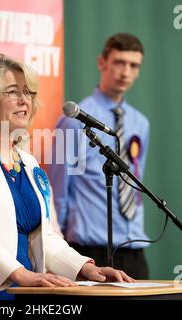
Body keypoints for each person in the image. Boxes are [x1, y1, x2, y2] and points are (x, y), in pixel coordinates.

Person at [0, 53, 133, 300]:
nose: (25, 100)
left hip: (22, 288)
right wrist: (20, 273)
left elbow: (46, 235)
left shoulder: (28, 161)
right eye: (13, 92)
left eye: (29, 93)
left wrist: (85, 268)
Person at [48, 33, 150, 279]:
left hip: (134, 248)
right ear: (102, 63)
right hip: (90, 250)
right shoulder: (74, 122)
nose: (126, 72)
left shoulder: (140, 123)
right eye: (119, 62)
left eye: (133, 65)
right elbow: (58, 192)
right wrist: (59, 252)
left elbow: (134, 183)